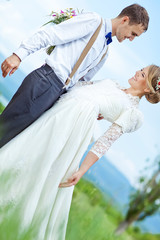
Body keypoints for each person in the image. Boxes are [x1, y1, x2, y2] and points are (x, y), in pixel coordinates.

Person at [0, 64, 160, 240]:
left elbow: (105, 141)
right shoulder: (112, 84)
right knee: (26, 148)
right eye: (140, 69)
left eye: (143, 73)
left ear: (147, 87)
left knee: (41, 165)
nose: (137, 72)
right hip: (58, 112)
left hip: (72, 129)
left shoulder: (133, 113)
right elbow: (81, 87)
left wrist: (82, 169)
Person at [0, 4, 149, 147]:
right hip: (45, 81)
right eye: (133, 33)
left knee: (15, 139)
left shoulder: (105, 53)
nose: (131, 38)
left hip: (57, 95)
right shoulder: (94, 21)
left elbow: (82, 84)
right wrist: (18, 55)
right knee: (5, 130)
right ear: (125, 20)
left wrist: (99, 107)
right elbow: (52, 34)